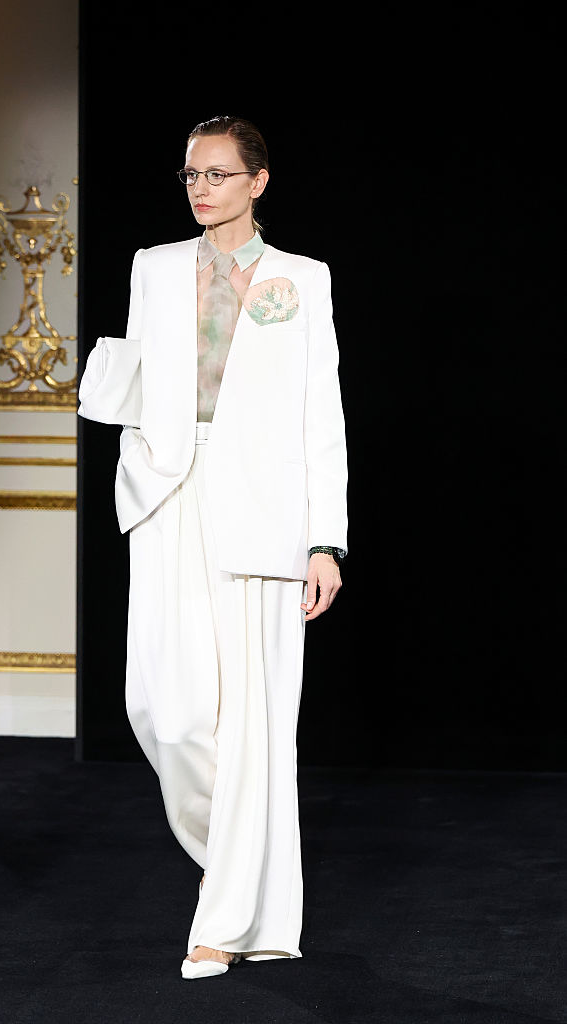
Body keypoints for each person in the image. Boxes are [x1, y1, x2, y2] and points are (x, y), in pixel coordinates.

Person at [77, 115, 348, 980]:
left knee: (252, 723)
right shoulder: (153, 266)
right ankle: (235, 868)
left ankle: (223, 921)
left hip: (264, 512)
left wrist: (325, 541)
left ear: (257, 182)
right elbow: (135, 381)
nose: (201, 187)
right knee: (168, 714)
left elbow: (320, 416)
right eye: (191, 174)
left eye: (218, 174)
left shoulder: (303, 278)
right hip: (167, 496)